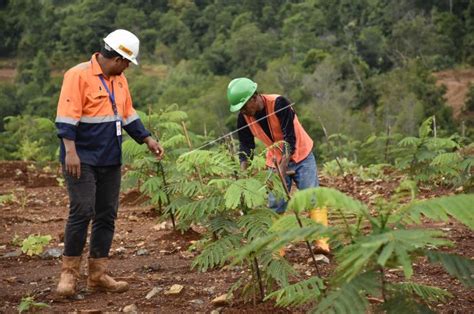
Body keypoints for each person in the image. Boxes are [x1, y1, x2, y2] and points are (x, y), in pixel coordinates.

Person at [55, 29, 164, 297]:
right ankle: (69, 275)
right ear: (116, 58)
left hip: (109, 157)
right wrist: (70, 151)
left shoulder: (119, 80)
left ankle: (97, 275)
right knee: (82, 210)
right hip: (80, 158)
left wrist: (147, 139)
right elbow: (67, 116)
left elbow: (127, 114)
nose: (127, 67)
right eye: (126, 62)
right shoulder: (77, 75)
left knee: (106, 215)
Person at [227, 77, 329, 253]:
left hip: (301, 154)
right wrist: (243, 173)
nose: (244, 111)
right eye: (240, 109)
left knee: (312, 198)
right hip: (274, 159)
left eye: (245, 106)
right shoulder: (244, 118)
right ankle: (277, 251)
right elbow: (246, 146)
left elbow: (290, 139)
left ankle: (322, 244)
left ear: (254, 97)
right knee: (276, 204)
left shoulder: (279, 103)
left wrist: (283, 168)